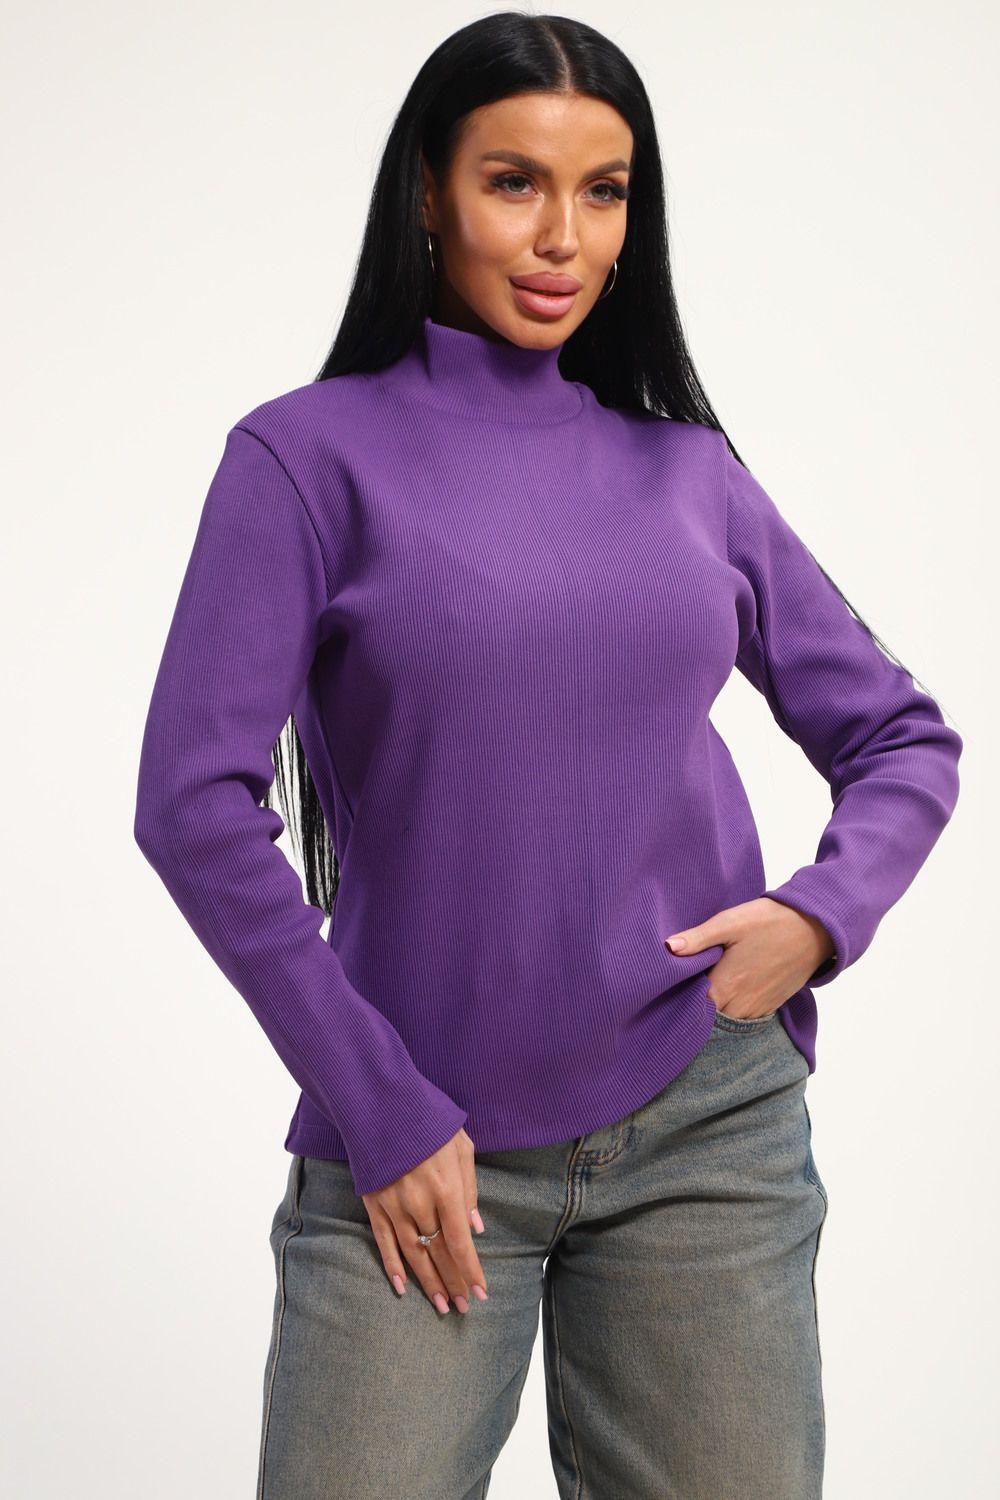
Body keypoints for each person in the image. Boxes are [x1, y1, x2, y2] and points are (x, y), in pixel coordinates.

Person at [133, 12, 963, 1499]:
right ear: (427, 195)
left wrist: (820, 915)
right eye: (514, 182)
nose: (563, 237)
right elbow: (193, 808)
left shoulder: (686, 469)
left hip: (709, 1132)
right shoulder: (305, 460)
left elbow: (902, 735)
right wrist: (379, 1104)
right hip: (418, 1137)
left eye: (605, 191)